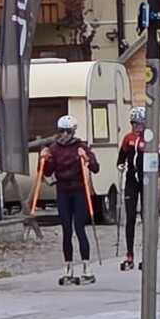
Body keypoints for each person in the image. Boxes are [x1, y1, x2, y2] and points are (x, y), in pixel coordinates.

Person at [40, 115, 100, 282]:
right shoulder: (54, 148)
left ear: (73, 132)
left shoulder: (81, 146)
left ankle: (87, 267)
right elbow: (47, 172)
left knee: (80, 228)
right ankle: (68, 267)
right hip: (63, 190)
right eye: (62, 131)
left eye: (68, 131)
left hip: (79, 190)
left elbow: (96, 168)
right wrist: (45, 159)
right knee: (66, 230)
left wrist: (86, 158)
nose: (64, 135)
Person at [116, 106, 147, 271]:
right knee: (130, 217)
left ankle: (146, 254)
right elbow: (121, 157)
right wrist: (120, 165)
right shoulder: (128, 138)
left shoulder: (148, 138)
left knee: (146, 217)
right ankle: (129, 254)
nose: (136, 127)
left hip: (145, 180)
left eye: (139, 124)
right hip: (131, 181)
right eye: (134, 124)